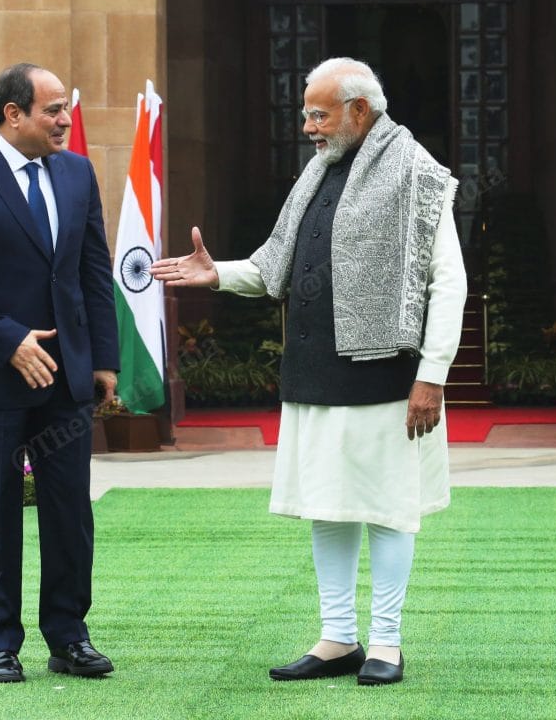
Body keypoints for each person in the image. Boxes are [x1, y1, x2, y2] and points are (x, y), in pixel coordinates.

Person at [153, 57, 467, 686]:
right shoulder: (318, 172)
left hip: (387, 377)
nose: (308, 127)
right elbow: (277, 267)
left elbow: (448, 283)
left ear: (359, 110)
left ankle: (386, 643)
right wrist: (218, 274)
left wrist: (432, 375)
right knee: (328, 503)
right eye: (306, 115)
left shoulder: (418, 173)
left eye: (318, 115)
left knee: (387, 508)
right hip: (315, 370)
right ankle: (338, 638)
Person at [0, 63, 120, 684]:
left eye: (67, 108)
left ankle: (70, 636)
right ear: (13, 114)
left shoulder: (77, 173)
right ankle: (0, 643)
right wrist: (10, 342)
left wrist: (104, 359)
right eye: (53, 109)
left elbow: (93, 271)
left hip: (66, 379)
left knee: (69, 511)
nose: (65, 120)